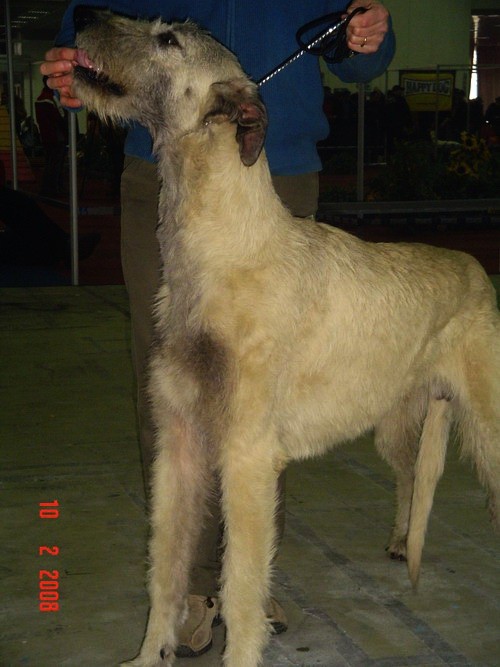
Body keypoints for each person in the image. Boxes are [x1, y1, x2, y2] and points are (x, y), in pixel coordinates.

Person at [41, 0, 394, 658]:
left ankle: (247, 587)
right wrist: (72, 56)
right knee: (175, 404)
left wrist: (370, 39)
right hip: (163, 169)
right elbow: (95, 25)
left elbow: (366, 49)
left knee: (259, 410)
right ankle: (192, 591)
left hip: (275, 172)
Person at [35, 76, 68, 196]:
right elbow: (58, 118)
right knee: (55, 164)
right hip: (56, 136)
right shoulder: (50, 99)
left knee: (50, 162)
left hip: (47, 136)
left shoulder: (42, 98)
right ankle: (52, 188)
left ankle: (51, 187)